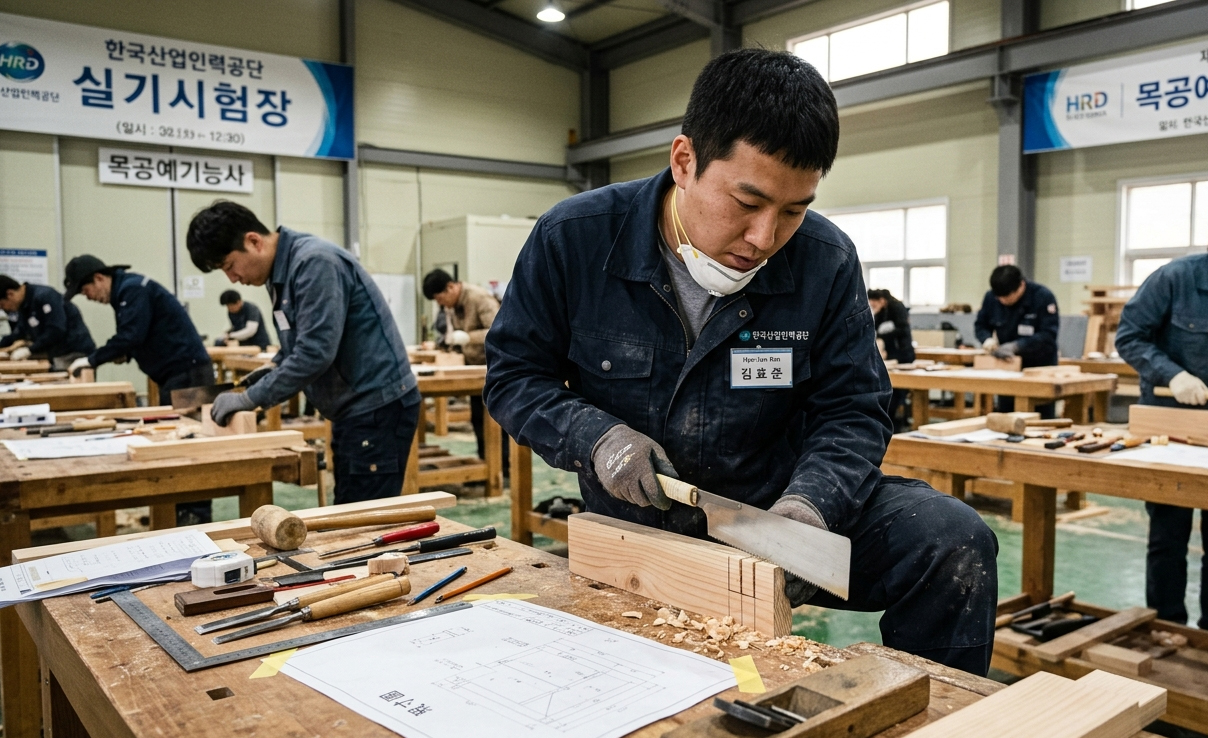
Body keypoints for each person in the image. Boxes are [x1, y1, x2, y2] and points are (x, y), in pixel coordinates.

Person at [484, 49, 998, 675]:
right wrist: (598, 439)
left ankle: (931, 710)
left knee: (951, 541)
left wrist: (811, 511)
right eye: (747, 202)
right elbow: (515, 376)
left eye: (793, 210)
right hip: (637, 522)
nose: (764, 238)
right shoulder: (575, 238)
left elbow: (853, 411)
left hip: (777, 515)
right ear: (684, 161)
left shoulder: (826, 260)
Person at [185, 201, 420, 504]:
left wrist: (249, 398)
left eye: (230, 266)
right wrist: (271, 369)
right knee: (350, 509)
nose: (232, 279)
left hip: (376, 408)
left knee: (362, 518)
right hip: (354, 409)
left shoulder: (314, 262)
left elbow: (315, 353)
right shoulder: (280, 273)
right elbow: (298, 344)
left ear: (254, 241)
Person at [63, 255, 214, 525]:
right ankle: (181, 509)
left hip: (188, 374)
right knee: (178, 444)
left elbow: (131, 335)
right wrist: (126, 352)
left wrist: (92, 359)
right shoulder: (126, 290)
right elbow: (142, 333)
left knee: (189, 445)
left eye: (86, 291)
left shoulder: (132, 289)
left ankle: (195, 515)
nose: (89, 298)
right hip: (179, 373)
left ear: (99, 278)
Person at [1116, 253, 1208, 629]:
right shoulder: (1173, 279)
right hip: (1171, 428)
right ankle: (1166, 626)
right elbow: (1128, 337)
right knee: (1168, 536)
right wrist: (1172, 375)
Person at [422, 269, 508, 476]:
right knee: (478, 419)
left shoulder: (479, 298)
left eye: (440, 299)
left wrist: (469, 338)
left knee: (497, 421)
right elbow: (454, 335)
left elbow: (500, 330)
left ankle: (502, 468)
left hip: (493, 369)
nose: (442, 305)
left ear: (451, 287)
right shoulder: (453, 306)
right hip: (474, 369)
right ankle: (485, 465)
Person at [974, 265, 1060, 415]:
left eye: (1007, 297)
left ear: (1021, 285)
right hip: (1008, 368)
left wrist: (1017, 346)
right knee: (1007, 416)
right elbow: (981, 325)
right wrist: (987, 340)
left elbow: (1048, 335)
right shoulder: (992, 298)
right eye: (999, 298)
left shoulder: (1042, 297)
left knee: (1041, 418)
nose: (1003, 301)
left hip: (1038, 369)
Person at [0, 275, 96, 370]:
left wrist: (30, 350)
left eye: (2, 305)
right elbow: (19, 333)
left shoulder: (45, 296)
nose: (4, 309)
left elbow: (56, 330)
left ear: (10, 294)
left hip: (75, 352)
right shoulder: (24, 305)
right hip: (57, 355)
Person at [868, 288, 914, 429]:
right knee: (889, 388)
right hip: (889, 355)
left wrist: (886, 333)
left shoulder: (897, 307)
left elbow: (903, 329)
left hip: (902, 353)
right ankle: (890, 420)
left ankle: (898, 421)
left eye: (874, 304)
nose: (873, 306)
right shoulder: (881, 311)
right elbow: (875, 329)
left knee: (899, 391)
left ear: (881, 300)